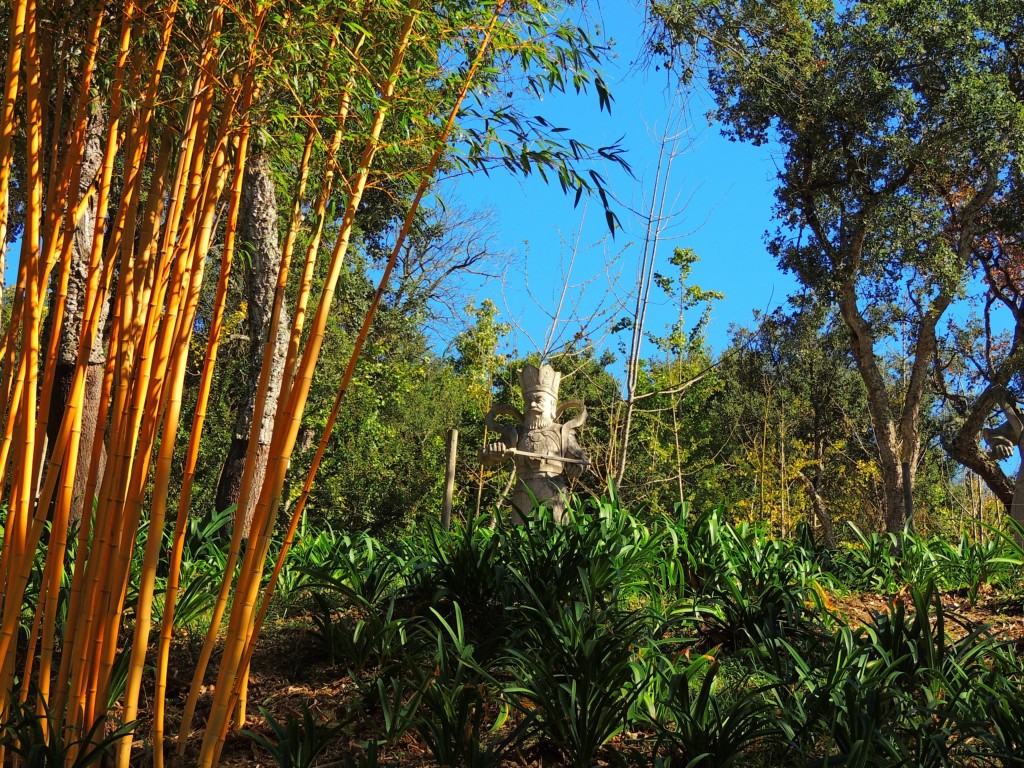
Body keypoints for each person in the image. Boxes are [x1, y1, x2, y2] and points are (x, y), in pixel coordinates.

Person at [479, 363, 589, 523]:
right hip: (523, 494)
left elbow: (581, 461)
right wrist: (493, 453)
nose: (531, 405)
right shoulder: (516, 433)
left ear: (552, 405)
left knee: (553, 537)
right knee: (522, 538)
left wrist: (576, 467)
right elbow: (486, 459)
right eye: (527, 401)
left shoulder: (562, 432)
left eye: (538, 400)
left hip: (553, 493)